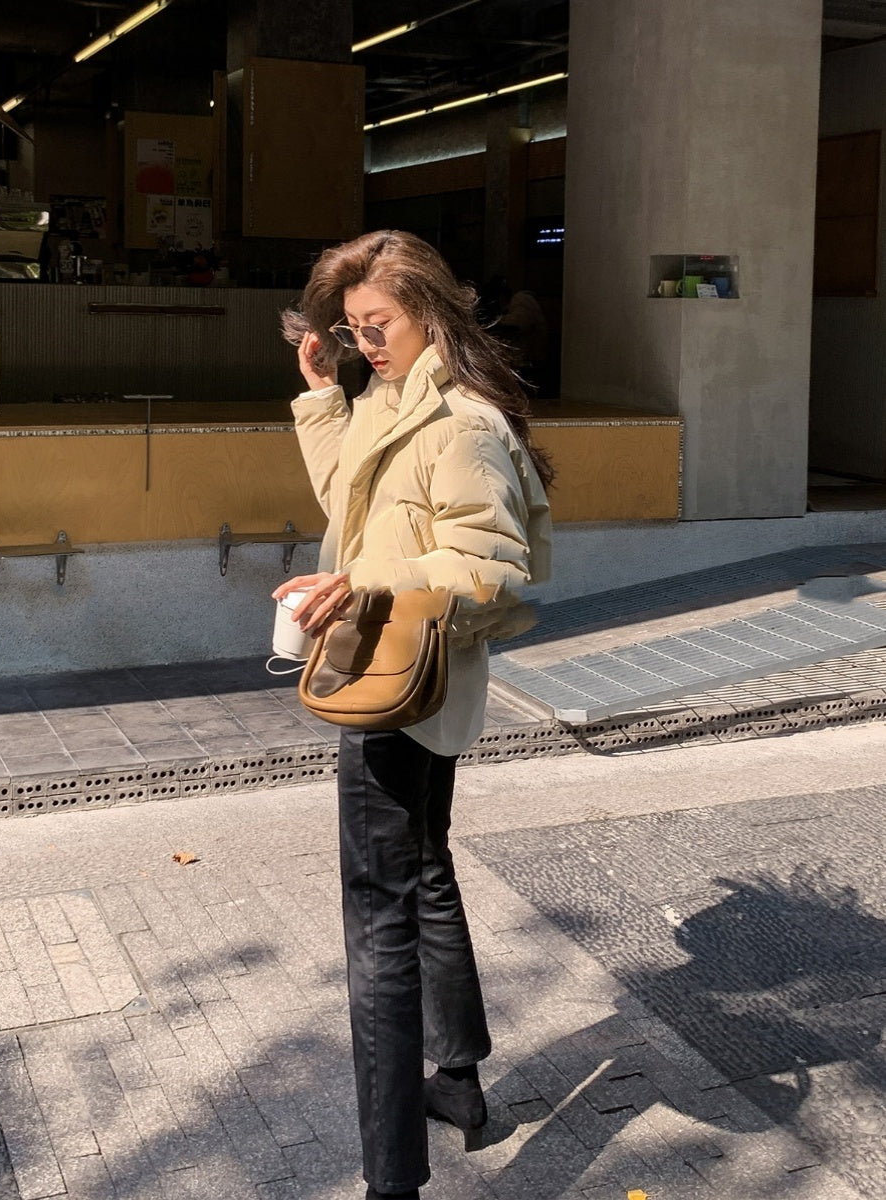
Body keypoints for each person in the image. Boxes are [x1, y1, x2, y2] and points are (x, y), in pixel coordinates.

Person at [274, 230, 552, 1199]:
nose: (367, 343)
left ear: (431, 309)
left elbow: (497, 571)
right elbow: (349, 503)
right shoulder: (391, 401)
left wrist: (363, 587)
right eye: (352, 330)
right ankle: (460, 1077)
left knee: (377, 921)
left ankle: (393, 1176)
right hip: (411, 680)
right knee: (424, 868)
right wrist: (321, 391)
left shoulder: (461, 423)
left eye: (377, 324)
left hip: (399, 682)